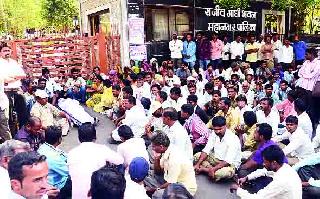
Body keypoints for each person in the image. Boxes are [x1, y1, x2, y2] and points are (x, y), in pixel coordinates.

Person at [68, 123, 124, 199]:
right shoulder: (102, 149)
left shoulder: (71, 153)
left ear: (79, 137)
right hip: (98, 194)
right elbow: (120, 160)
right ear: (95, 137)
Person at [230, 145, 302, 199]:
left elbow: (257, 198)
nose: (263, 164)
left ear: (274, 163)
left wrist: (238, 190)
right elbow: (264, 171)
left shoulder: (281, 181)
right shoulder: (284, 167)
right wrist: (247, 177)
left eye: (265, 162)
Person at [146, 131, 197, 197]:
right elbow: (158, 171)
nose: (152, 148)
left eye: (154, 146)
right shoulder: (167, 149)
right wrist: (157, 159)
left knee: (157, 194)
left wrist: (156, 189)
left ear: (161, 147)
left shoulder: (174, 160)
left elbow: (171, 183)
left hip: (183, 188)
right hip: (170, 179)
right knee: (148, 173)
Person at [194, 116, 241, 181]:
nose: (218, 132)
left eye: (220, 129)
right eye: (215, 129)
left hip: (229, 164)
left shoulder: (233, 138)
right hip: (215, 159)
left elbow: (227, 161)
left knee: (220, 174)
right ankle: (208, 169)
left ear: (225, 126)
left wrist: (213, 169)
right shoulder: (214, 133)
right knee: (196, 156)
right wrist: (197, 164)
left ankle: (204, 169)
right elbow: (206, 149)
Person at [0, 41, 28, 133]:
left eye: (8, 50)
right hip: (5, 92)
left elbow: (23, 75)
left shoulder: (14, 62)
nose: (7, 52)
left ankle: (23, 133)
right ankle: (12, 135)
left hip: (17, 90)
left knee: (23, 112)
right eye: (4, 51)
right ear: (0, 52)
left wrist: (12, 77)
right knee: (10, 116)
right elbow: (5, 79)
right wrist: (16, 77)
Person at [37, 126, 71, 199]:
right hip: (55, 186)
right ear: (59, 139)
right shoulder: (53, 157)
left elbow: (64, 155)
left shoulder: (44, 147)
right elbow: (69, 171)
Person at [296, 48, 320, 125]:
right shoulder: (306, 62)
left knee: (311, 107)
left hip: (311, 88)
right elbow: (300, 73)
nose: (305, 56)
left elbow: (313, 75)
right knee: (303, 105)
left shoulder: (318, 63)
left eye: (307, 54)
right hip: (302, 86)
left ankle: (312, 124)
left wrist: (305, 75)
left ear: (312, 54)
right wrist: (306, 75)